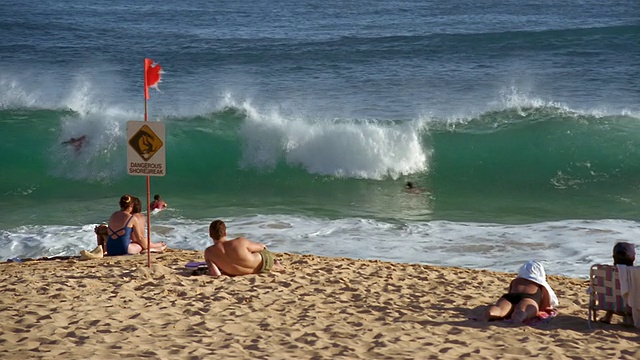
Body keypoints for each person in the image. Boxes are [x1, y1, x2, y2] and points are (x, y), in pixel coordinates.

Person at [482, 260, 559, 324]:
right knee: (522, 311)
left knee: (499, 309)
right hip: (528, 298)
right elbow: (544, 306)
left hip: (509, 297)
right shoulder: (540, 284)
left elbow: (510, 293)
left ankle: (490, 314)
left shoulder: (515, 281)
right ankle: (517, 318)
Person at [204, 219, 284, 277]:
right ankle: (275, 265)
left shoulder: (209, 252)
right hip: (263, 265)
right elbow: (261, 247)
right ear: (225, 233)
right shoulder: (239, 241)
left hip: (235, 272)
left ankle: (273, 266)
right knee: (251, 251)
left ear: (210, 235)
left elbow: (216, 274)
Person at [599, 241, 636, 324]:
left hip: (612, 305)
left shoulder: (604, 272)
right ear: (633, 258)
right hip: (632, 306)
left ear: (613, 256)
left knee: (611, 291)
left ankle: (608, 315)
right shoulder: (636, 274)